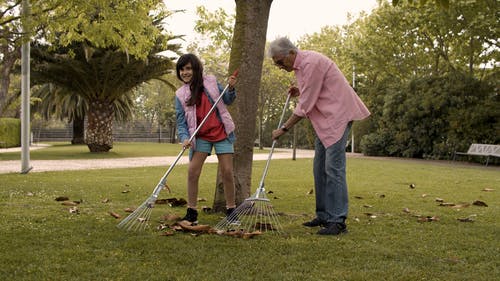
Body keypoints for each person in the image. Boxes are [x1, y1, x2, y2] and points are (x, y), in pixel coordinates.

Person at [269, 37, 370, 235]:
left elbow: (306, 104)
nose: (279, 66)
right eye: (276, 64)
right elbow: (313, 90)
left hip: (338, 115)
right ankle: (323, 215)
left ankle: (337, 221)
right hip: (324, 119)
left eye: (280, 61)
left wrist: (284, 128)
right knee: (319, 168)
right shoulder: (301, 66)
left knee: (334, 169)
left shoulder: (311, 63)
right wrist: (299, 90)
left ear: (291, 53)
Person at [175, 53, 238, 225]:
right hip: (200, 136)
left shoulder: (210, 81)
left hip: (221, 132)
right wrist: (184, 137)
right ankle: (191, 212)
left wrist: (231, 88)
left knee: (226, 171)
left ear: (195, 68)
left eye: (188, 68)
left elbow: (227, 99)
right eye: (181, 69)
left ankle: (231, 211)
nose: (185, 72)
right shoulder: (180, 94)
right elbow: (181, 122)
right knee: (192, 171)